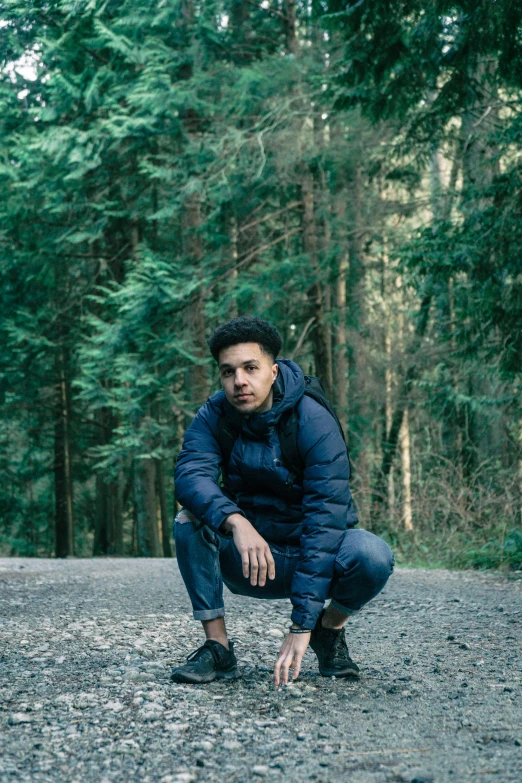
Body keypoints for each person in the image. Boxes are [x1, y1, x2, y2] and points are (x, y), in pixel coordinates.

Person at [171, 317, 393, 686]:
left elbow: (325, 524)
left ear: (273, 372)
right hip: (251, 560)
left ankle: (329, 629)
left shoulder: (313, 419)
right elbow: (190, 476)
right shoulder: (214, 415)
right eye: (228, 372)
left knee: (373, 555)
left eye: (250, 368)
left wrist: (303, 624)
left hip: (313, 554)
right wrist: (235, 521)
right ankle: (218, 649)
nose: (239, 380)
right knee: (189, 520)